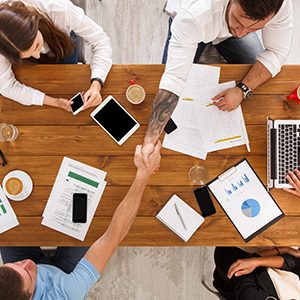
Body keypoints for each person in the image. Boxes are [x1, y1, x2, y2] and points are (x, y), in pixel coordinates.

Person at [0, 142, 161, 300]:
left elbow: (22, 269)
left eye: (17, 265)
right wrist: (144, 173)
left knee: (5, 227)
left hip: (16, 284)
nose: (27, 263)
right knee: (94, 227)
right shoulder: (67, 294)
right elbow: (113, 237)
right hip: (65, 272)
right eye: (28, 272)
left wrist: (21, 271)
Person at [142, 0, 293, 162]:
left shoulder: (279, 6)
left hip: (221, 25)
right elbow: (174, 79)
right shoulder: (193, 16)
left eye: (255, 28)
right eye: (238, 21)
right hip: (195, 21)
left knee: (258, 64)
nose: (241, 34)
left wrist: (243, 89)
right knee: (165, 81)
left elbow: (277, 52)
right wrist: (150, 139)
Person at [0, 0, 112, 111]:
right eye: (26, 55)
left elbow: (100, 41)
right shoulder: (4, 45)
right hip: (30, 69)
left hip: (62, 43)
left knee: (70, 74)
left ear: (35, 22)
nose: (37, 56)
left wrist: (96, 84)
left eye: (36, 45)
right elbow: (7, 86)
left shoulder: (58, 10)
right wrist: (56, 102)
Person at [213, 246, 300, 299]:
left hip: (236, 260)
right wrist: (284, 250)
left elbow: (243, 269)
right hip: (267, 259)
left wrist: (257, 261)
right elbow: (294, 263)